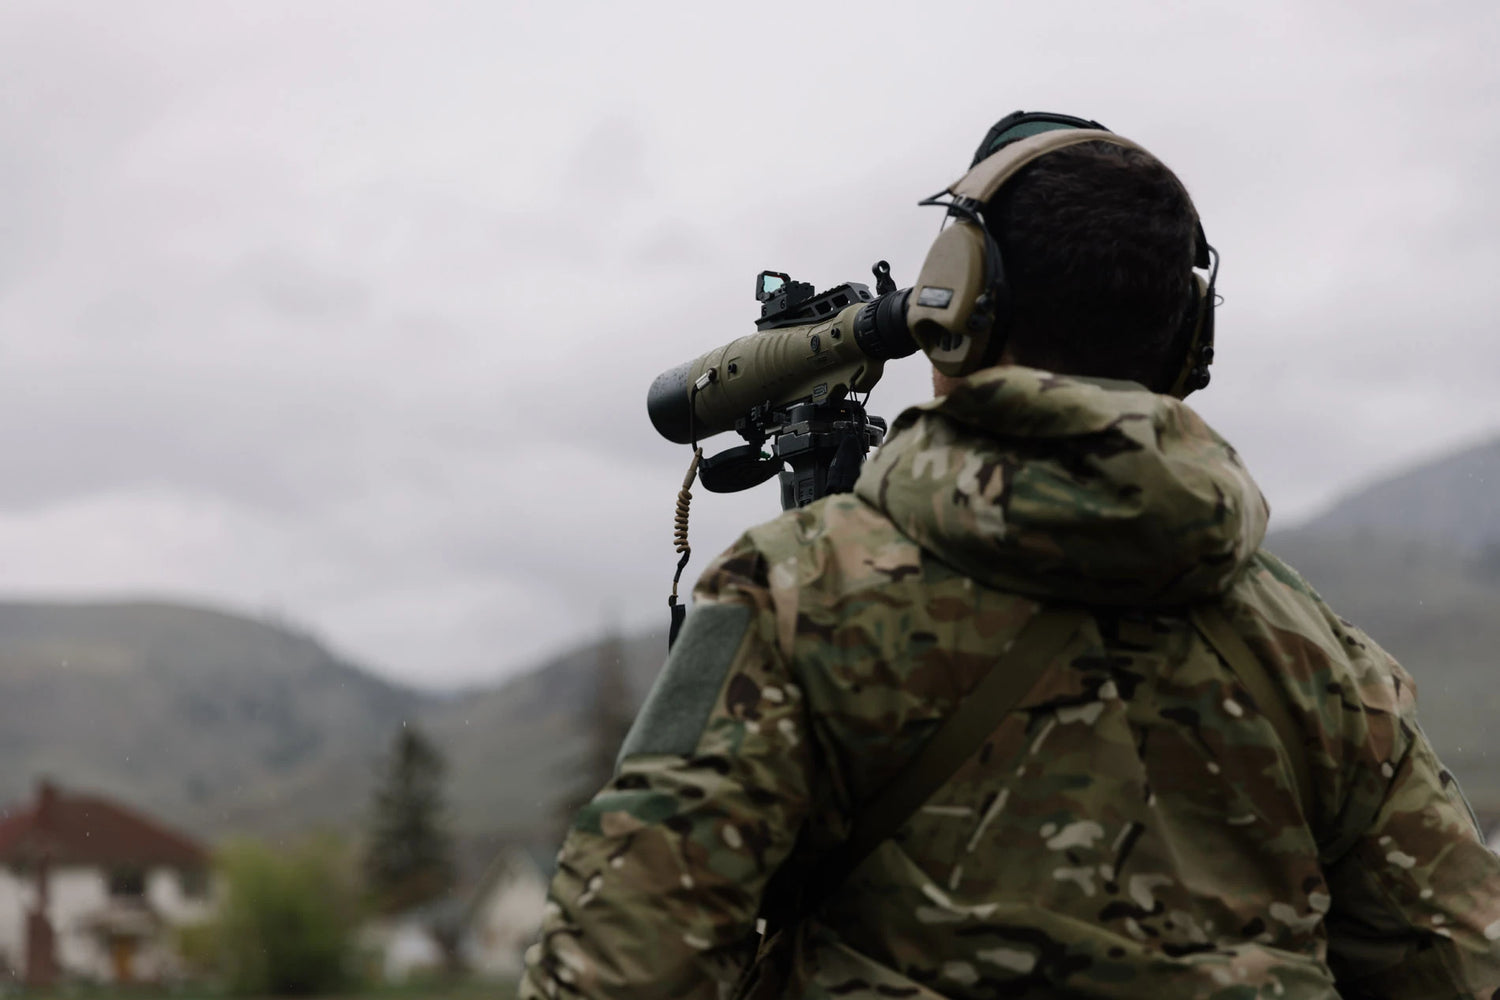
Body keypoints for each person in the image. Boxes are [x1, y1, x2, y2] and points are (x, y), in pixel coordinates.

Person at [520, 112, 1500, 999]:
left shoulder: (798, 596)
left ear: (956, 305)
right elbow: (1455, 961)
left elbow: (616, 972)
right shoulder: (1321, 655)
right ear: (1185, 340)